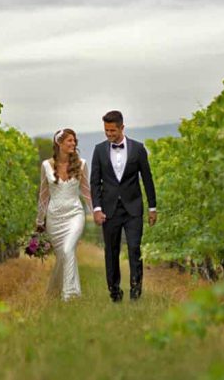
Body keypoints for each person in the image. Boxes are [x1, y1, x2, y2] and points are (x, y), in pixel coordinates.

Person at [90, 110, 157, 302]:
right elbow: (95, 182)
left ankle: (136, 291)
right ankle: (114, 291)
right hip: (109, 210)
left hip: (133, 209)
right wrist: (96, 208)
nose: (109, 134)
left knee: (135, 248)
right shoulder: (99, 150)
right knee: (111, 251)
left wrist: (152, 207)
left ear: (122, 128)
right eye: (106, 131)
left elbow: (147, 179)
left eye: (112, 130)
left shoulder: (138, 149)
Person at [36, 128, 92, 301]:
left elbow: (86, 191)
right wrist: (40, 220)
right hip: (54, 217)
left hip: (75, 214)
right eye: (69, 141)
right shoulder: (46, 165)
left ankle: (69, 294)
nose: (73, 144)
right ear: (59, 144)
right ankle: (56, 291)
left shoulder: (81, 164)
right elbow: (44, 194)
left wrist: (95, 211)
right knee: (62, 256)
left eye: (75, 141)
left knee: (68, 250)